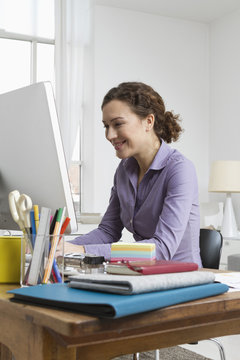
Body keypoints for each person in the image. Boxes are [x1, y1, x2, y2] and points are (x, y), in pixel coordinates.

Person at [60, 82, 202, 266]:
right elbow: (108, 231)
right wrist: (64, 246)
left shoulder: (180, 170)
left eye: (118, 124)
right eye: (106, 126)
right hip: (141, 275)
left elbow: (162, 249)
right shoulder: (124, 170)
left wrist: (84, 250)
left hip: (183, 280)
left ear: (148, 122)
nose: (110, 135)